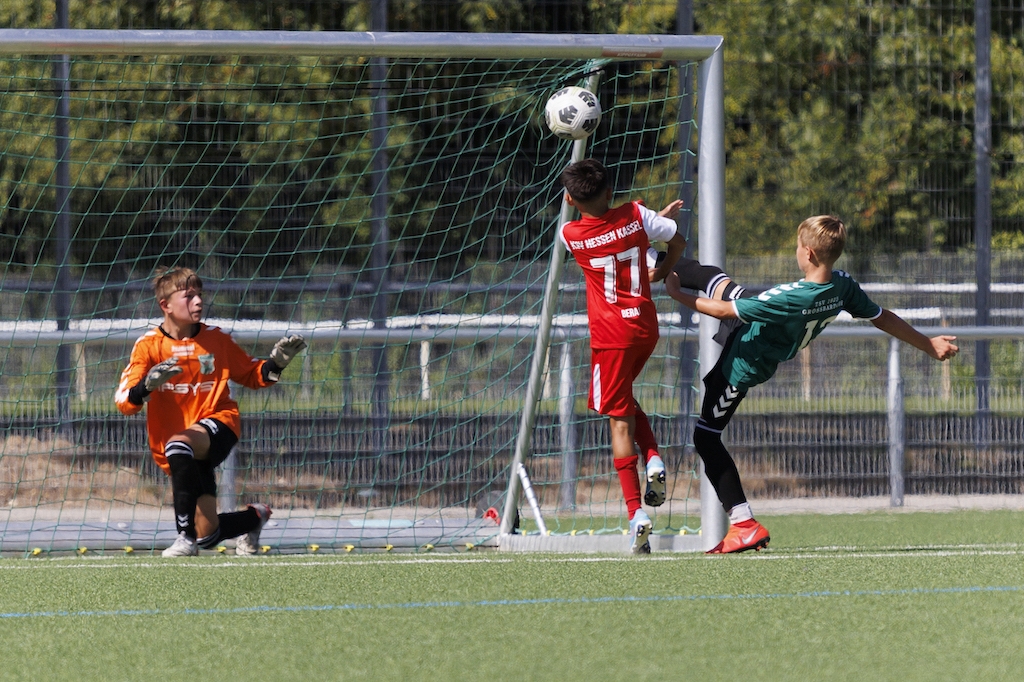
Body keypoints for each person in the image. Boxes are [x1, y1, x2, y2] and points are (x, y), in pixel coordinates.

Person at [665, 215, 959, 553]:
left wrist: (675, 293)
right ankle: (643, 251)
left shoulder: (793, 297)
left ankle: (744, 524)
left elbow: (722, 312)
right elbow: (882, 317)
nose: (795, 251)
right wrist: (928, 344)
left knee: (705, 437)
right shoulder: (841, 286)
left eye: (796, 246)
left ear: (808, 253)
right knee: (710, 277)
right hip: (756, 332)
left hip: (743, 364)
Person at [115, 267, 307, 557]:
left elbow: (253, 375)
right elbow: (124, 401)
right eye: (188, 296)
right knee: (208, 535)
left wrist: (276, 364)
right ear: (165, 305)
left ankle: (184, 539)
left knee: (178, 446)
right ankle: (255, 517)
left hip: (219, 424)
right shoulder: (148, 346)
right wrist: (145, 387)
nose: (198, 301)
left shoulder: (216, 339)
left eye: (200, 295)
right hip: (181, 449)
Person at [559, 158, 688, 554]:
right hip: (645, 328)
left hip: (611, 337)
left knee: (617, 421)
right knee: (623, 402)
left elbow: (607, 237)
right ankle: (653, 459)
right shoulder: (635, 215)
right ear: (610, 191)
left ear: (569, 199)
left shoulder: (569, 234)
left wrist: (646, 225)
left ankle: (636, 514)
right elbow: (677, 241)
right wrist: (661, 270)